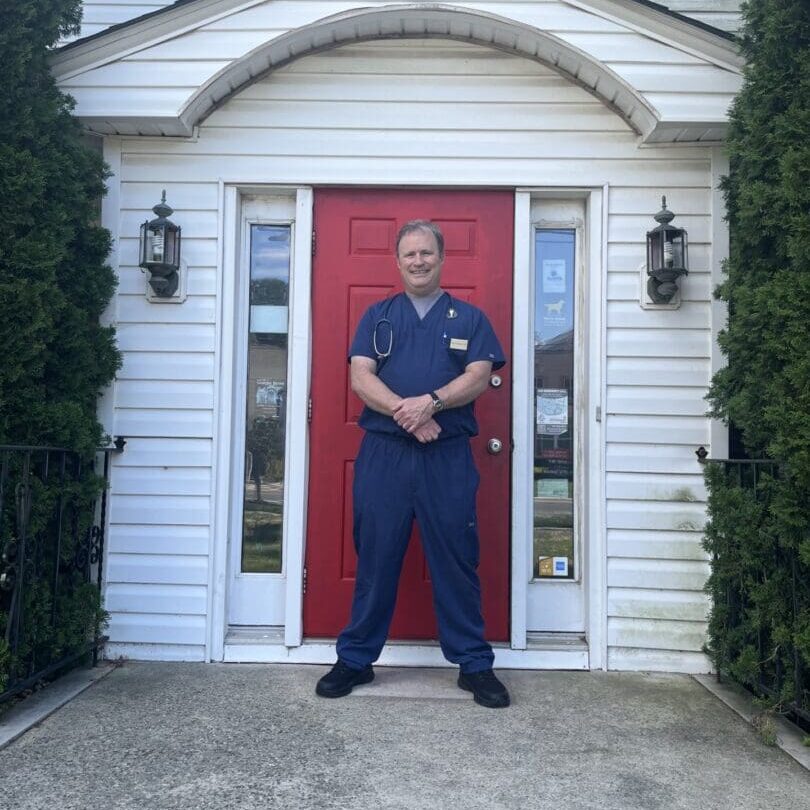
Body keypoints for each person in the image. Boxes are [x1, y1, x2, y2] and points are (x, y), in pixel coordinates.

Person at [315, 220, 510, 708]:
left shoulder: (469, 318)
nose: (418, 261)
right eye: (409, 254)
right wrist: (409, 414)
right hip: (386, 455)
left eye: (426, 252)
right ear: (397, 262)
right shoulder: (377, 316)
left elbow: (479, 374)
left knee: (457, 558)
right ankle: (356, 659)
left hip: (445, 456)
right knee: (376, 556)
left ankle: (474, 665)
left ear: (441, 258)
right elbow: (361, 377)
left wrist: (432, 403)